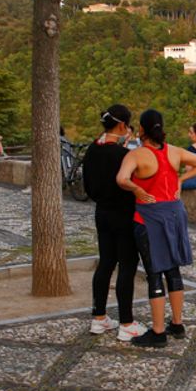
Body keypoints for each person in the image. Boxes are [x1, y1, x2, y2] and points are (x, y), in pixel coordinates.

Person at [116, 109, 196, 348]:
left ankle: (158, 332)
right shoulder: (175, 152)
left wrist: (137, 190)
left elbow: (121, 179)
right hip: (174, 213)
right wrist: (180, 179)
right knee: (173, 270)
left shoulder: (137, 155)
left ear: (142, 130)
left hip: (149, 217)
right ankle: (177, 323)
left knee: (154, 272)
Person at [82, 105, 146, 341]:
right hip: (124, 213)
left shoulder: (91, 150)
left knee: (106, 263)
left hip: (102, 212)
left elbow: (87, 185)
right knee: (127, 265)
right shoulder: (122, 155)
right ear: (123, 126)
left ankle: (99, 317)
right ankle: (126, 322)